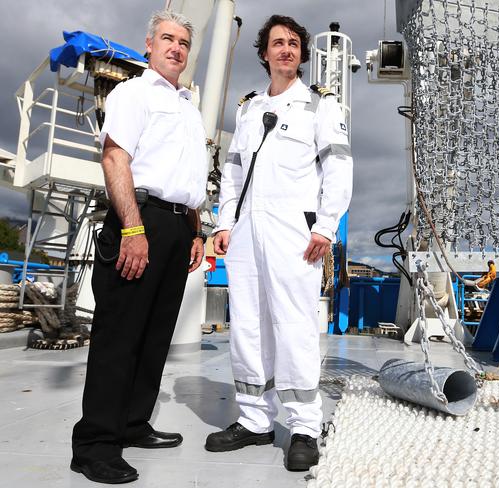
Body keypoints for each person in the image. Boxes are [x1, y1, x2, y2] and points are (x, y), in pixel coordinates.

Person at [205, 15, 353, 471]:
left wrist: (326, 226)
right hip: (247, 230)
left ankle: (305, 425)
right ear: (264, 53)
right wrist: (223, 223)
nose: (286, 49)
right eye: (277, 43)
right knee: (247, 324)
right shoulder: (247, 109)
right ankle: (254, 420)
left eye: (293, 43)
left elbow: (339, 168)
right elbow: (232, 174)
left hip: (295, 231)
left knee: (294, 326)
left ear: (302, 55)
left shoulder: (320, 106)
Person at [71, 10, 208, 484]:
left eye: (184, 43)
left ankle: (131, 424)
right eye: (168, 40)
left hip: (177, 226)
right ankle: (94, 445)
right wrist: (132, 230)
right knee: (119, 336)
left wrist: (196, 233)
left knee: (154, 337)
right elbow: (115, 158)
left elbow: (189, 183)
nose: (176, 48)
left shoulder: (191, 109)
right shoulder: (133, 93)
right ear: (149, 46)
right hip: (140, 219)